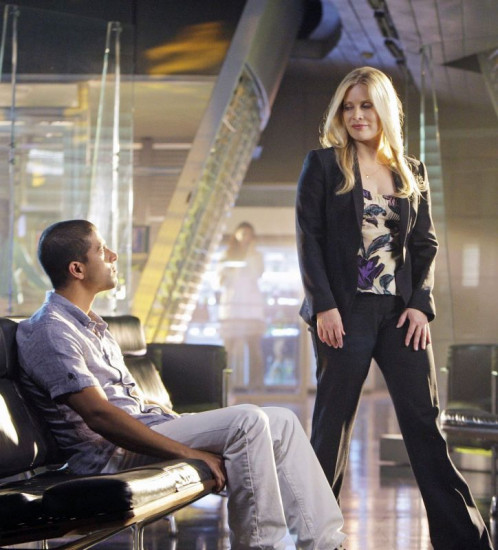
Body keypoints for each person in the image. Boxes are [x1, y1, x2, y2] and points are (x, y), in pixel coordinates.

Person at [16, 219, 347, 550]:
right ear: (77, 269)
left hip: (144, 429)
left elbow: (129, 400)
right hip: (110, 453)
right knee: (247, 422)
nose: (113, 256)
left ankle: (327, 545)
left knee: (282, 422)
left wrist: (178, 422)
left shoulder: (92, 326)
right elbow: (99, 416)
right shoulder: (51, 330)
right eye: (102, 251)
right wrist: (189, 452)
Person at [295, 66, 493, 550]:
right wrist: (324, 306)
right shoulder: (323, 165)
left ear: (384, 109)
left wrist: (421, 306)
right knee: (332, 425)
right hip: (344, 313)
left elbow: (425, 245)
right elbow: (309, 239)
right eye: (349, 106)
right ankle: (317, 537)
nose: (357, 115)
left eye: (366, 105)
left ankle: (465, 540)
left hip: (401, 315)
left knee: (424, 423)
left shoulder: (411, 171)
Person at [218, 222, 266, 390]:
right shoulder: (226, 255)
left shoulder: (257, 256)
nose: (246, 237)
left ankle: (256, 386)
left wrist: (250, 255)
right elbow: (221, 279)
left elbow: (258, 274)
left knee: (254, 349)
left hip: (251, 310)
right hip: (232, 309)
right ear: (236, 235)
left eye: (249, 234)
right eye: (243, 233)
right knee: (228, 351)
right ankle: (224, 386)